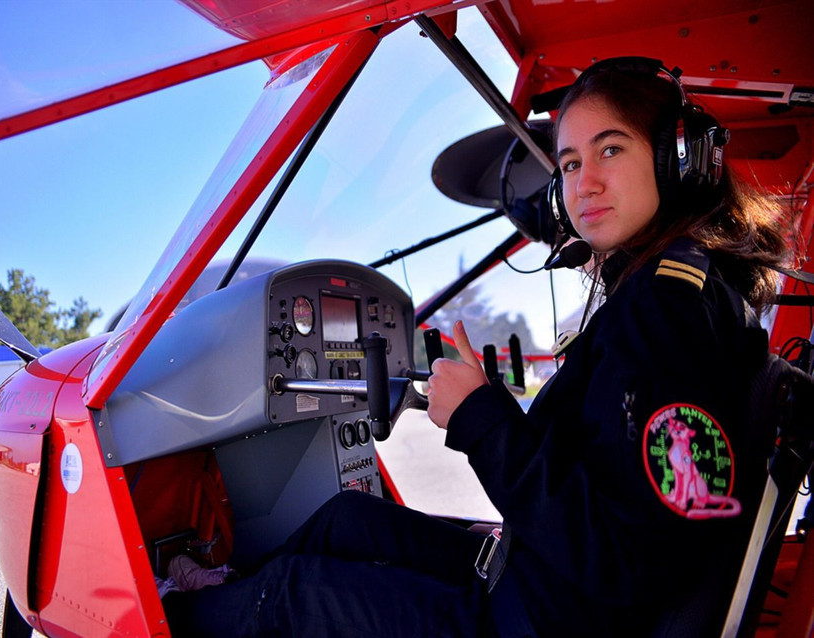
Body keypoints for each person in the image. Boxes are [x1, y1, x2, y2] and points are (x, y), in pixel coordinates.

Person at [161, 58, 796, 637]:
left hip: (548, 617)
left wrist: (479, 419)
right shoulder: (689, 292)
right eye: (571, 163)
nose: (585, 183)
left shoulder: (665, 311)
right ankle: (227, 587)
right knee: (346, 520)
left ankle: (171, 612)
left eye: (611, 149)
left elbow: (621, 557)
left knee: (295, 597)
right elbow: (614, 487)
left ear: (676, 157)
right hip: (550, 582)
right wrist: (488, 412)